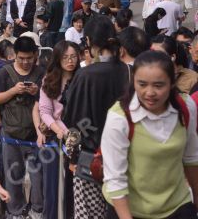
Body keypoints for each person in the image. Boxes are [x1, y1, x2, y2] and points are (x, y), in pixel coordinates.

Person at [101, 50, 198, 219]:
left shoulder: (185, 107)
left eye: (158, 85)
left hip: (177, 206)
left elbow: (191, 158)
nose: (149, 92)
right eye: (142, 84)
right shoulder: (120, 118)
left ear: (172, 84)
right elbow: (115, 179)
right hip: (130, 210)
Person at [62, 15, 130, 218]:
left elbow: (74, 123)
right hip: (123, 158)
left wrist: (71, 158)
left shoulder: (85, 75)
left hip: (90, 162)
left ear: (89, 41)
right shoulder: (128, 71)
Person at [0, 36, 44, 219]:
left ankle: (37, 209)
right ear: (15, 55)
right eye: (21, 58)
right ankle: (16, 211)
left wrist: (37, 92)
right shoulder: (4, 74)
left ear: (35, 55)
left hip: (36, 136)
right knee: (13, 177)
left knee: (38, 178)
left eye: (29, 58)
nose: (25, 62)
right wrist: (14, 91)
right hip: (11, 135)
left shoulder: (41, 73)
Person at [38, 41, 79, 219]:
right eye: (65, 57)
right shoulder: (49, 79)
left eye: (73, 57)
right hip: (56, 138)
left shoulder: (82, 78)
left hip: (77, 137)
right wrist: (58, 130)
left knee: (73, 185)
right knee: (52, 185)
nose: (70, 61)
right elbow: (45, 111)